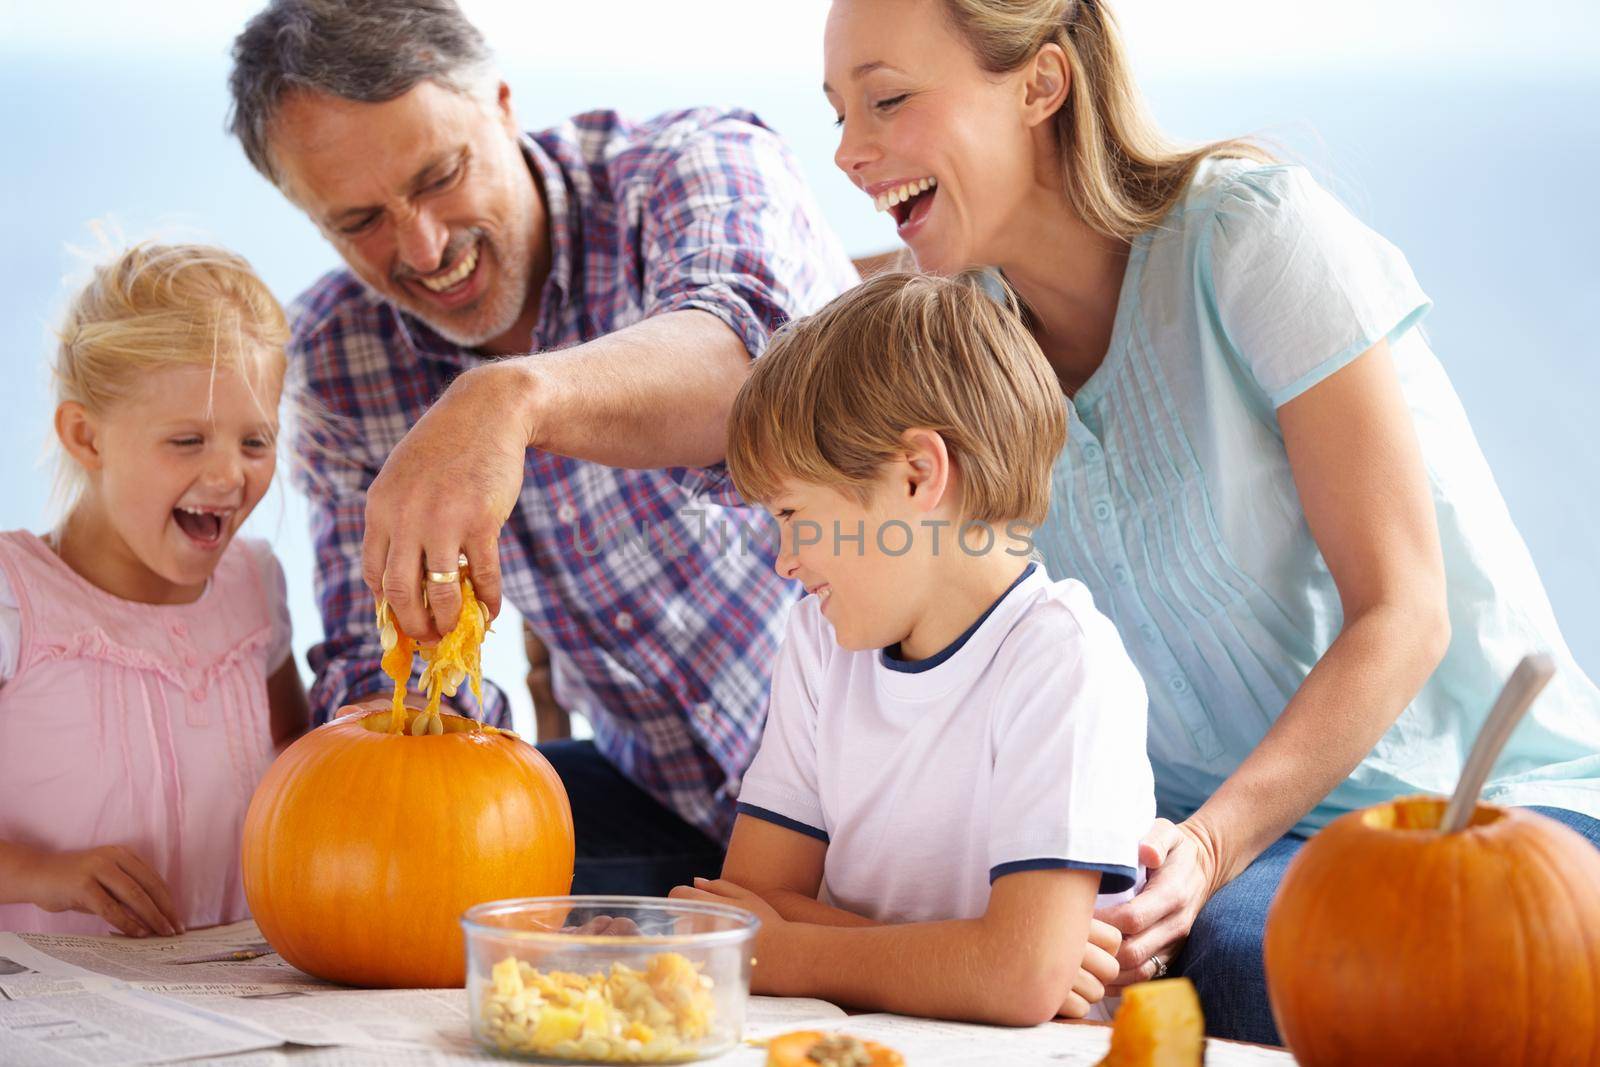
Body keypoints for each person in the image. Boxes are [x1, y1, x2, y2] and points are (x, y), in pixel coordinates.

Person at [821, 0, 1600, 1043]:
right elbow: (798, 321)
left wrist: (1207, 847)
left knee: (1244, 960)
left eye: (886, 100)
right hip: (1192, 845)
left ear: (1041, 85)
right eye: (835, 114)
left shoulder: (1252, 236)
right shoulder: (961, 340)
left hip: (1478, 810)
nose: (846, 151)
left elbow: (1404, 613)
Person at [226, 0, 858, 894]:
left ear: (503, 104)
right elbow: (385, 673)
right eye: (359, 222)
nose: (424, 244)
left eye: (441, 175)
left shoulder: (691, 165)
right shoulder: (336, 356)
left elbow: (752, 368)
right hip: (669, 806)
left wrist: (510, 396)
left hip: (905, 797)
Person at [671, 271, 1151, 1024]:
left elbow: (1015, 980)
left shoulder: (1063, 659)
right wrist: (976, 958)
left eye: (794, 511)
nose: (784, 560)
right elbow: (749, 903)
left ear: (919, 473)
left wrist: (783, 950)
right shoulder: (818, 645)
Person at [0, 242, 309, 936]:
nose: (231, 474)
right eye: (188, 440)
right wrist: (48, 874)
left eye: (255, 443)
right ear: (87, 437)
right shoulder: (13, 603)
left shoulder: (254, 587)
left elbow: (294, 756)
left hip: (227, 993)